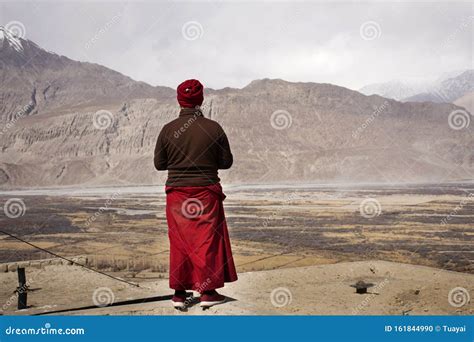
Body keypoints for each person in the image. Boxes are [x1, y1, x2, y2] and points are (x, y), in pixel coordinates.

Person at [154, 79, 238, 309]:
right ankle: (208, 293)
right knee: (207, 242)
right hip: (206, 193)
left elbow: (160, 164)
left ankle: (179, 294)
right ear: (200, 100)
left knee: (179, 241)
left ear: (179, 100)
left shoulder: (168, 129)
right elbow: (226, 162)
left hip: (177, 195)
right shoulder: (214, 128)